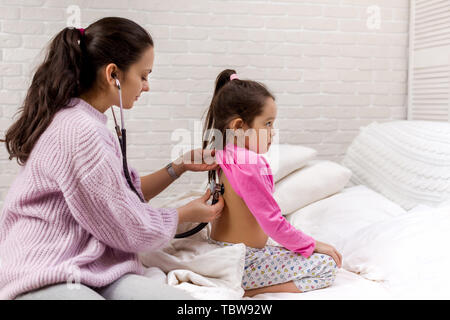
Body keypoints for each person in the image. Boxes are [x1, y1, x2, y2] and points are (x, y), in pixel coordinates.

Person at [0, 17, 224, 300]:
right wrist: (185, 215)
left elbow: (119, 196)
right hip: (43, 269)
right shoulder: (80, 131)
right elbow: (127, 223)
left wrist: (178, 167)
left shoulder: (86, 121)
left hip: (93, 266)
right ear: (113, 75)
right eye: (143, 76)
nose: (146, 86)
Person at [203, 69, 343, 297]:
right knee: (326, 267)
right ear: (239, 127)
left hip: (225, 252)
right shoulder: (250, 164)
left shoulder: (225, 152)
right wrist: (311, 244)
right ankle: (249, 290)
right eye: (267, 124)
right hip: (244, 261)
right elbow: (273, 223)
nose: (273, 133)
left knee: (292, 253)